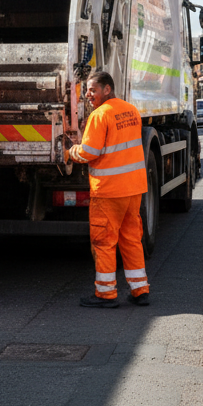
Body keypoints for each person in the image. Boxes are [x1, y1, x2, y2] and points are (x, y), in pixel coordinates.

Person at [66, 70, 151, 308]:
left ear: (107, 89)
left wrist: (70, 152)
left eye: (93, 90)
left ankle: (105, 294)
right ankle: (140, 290)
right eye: (87, 90)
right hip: (133, 189)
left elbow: (89, 152)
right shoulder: (131, 110)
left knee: (104, 240)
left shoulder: (100, 115)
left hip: (109, 191)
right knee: (132, 239)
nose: (88, 94)